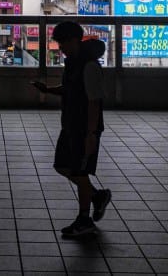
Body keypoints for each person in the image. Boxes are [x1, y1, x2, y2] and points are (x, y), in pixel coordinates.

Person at [31, 20, 112, 237]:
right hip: (70, 125)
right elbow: (70, 89)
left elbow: (94, 102)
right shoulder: (74, 63)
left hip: (84, 129)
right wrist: (48, 90)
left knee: (79, 172)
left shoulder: (89, 66)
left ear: (75, 40)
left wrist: (91, 135)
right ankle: (96, 196)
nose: (60, 47)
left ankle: (84, 219)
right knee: (62, 165)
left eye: (63, 42)